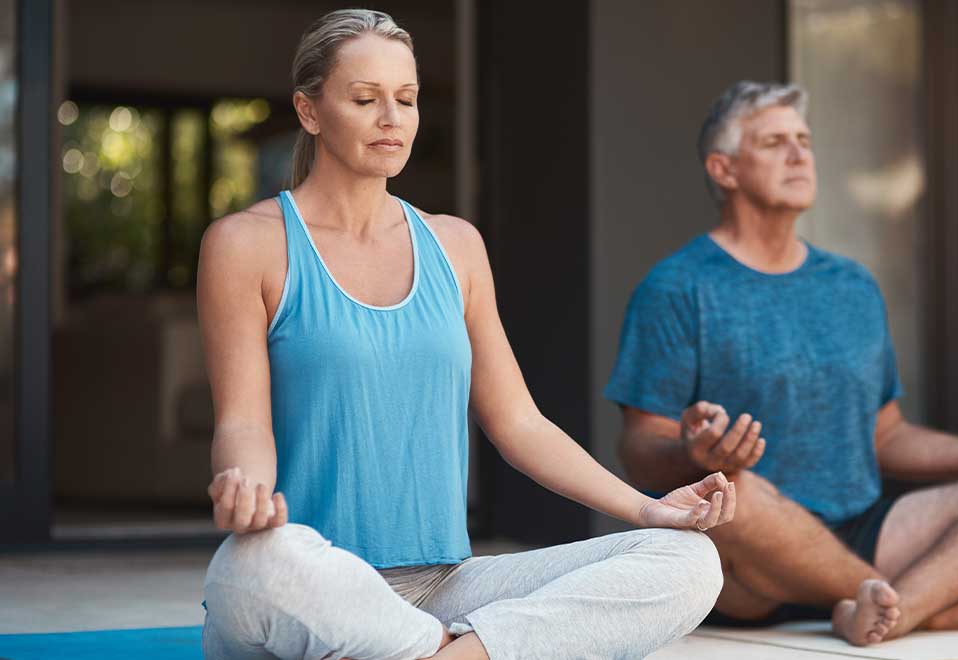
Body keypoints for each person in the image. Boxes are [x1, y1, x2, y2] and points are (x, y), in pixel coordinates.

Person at [197, 10, 732, 660]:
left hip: (444, 587)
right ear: (309, 111)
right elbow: (244, 423)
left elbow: (519, 425)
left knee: (687, 560)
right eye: (365, 99)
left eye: (407, 99)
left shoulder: (455, 247)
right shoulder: (246, 245)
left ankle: (453, 654)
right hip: (315, 583)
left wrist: (648, 510)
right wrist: (245, 487)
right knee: (251, 566)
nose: (392, 119)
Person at [606, 81, 958, 647]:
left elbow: (888, 435)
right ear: (724, 170)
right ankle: (930, 605)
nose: (799, 153)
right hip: (747, 552)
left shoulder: (852, 285)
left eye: (804, 140)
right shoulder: (676, 287)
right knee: (732, 491)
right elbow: (638, 448)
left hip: (864, 530)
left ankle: (889, 607)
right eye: (774, 141)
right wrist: (691, 453)